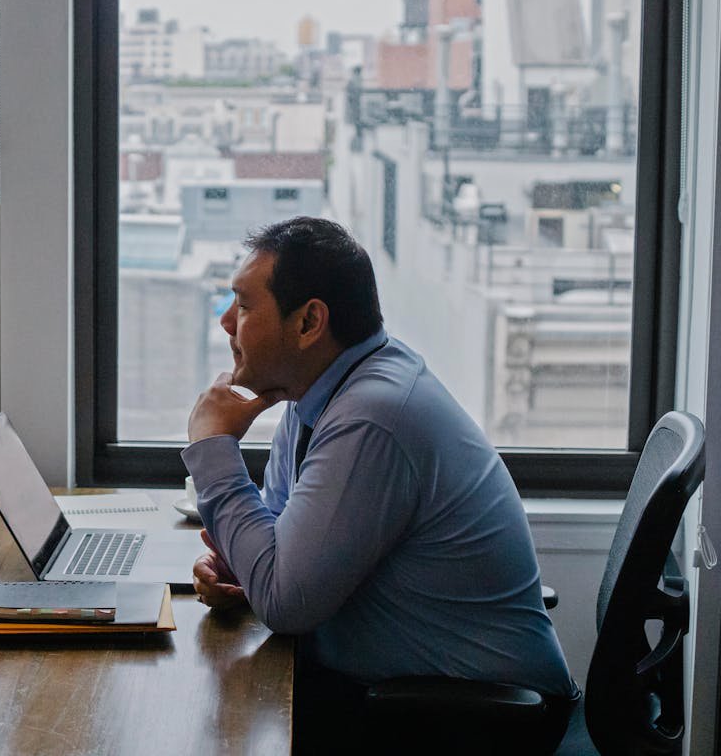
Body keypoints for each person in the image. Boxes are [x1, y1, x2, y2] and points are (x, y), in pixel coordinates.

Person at [182, 216, 577, 752]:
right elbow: (278, 548)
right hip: (400, 696)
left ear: (309, 323)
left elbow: (285, 603)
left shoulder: (373, 416)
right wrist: (240, 567)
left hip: (475, 720)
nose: (227, 322)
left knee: (208, 730)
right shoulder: (315, 396)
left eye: (245, 306)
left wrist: (212, 449)